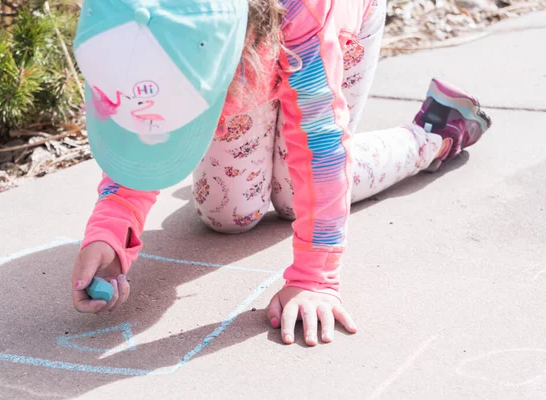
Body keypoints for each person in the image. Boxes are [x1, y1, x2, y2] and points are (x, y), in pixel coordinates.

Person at [70, 0, 492, 346]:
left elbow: (321, 151)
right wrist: (113, 226)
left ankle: (434, 133)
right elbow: (145, 124)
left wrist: (314, 278)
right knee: (227, 214)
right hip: (239, 50)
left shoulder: (306, 23)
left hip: (317, 33)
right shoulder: (130, 26)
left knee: (295, 198)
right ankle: (263, 153)